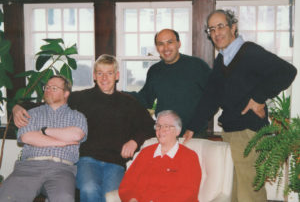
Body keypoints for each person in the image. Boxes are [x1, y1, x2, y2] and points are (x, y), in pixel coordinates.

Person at [183, 9, 297, 202]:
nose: (217, 33)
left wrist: (259, 97)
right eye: (212, 29)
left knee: (249, 194)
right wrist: (192, 127)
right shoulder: (222, 60)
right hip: (232, 132)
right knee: (235, 193)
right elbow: (210, 97)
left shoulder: (249, 51)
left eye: (221, 26)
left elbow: (286, 71)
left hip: (248, 132)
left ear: (233, 27)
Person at [12, 54, 155, 202]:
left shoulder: (129, 103)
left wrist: (134, 141)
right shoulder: (81, 98)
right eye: (100, 73)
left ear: (117, 75)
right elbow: (49, 102)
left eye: (109, 73)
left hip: (116, 163)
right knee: (89, 188)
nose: (104, 78)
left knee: (111, 196)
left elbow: (150, 126)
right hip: (87, 160)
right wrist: (18, 107)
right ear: (94, 76)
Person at [0, 75, 88, 202]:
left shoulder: (77, 116)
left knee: (65, 199)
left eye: (54, 88)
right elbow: (27, 137)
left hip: (62, 170)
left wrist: (43, 130)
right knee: (6, 197)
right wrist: (62, 142)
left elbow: (76, 135)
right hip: (28, 167)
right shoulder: (31, 113)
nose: (47, 90)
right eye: (46, 87)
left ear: (66, 93)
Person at [129, 29, 211, 137]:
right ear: (157, 48)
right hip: (166, 135)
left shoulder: (197, 66)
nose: (166, 48)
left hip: (194, 134)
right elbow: (145, 99)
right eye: (161, 44)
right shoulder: (154, 71)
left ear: (179, 44)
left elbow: (212, 98)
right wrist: (118, 94)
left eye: (170, 42)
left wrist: (194, 127)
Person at [119, 110, 201, 202]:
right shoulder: (145, 153)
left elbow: (188, 193)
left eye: (166, 126)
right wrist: (132, 199)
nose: (161, 130)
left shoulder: (189, 157)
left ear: (178, 131)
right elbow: (127, 184)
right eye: (158, 126)